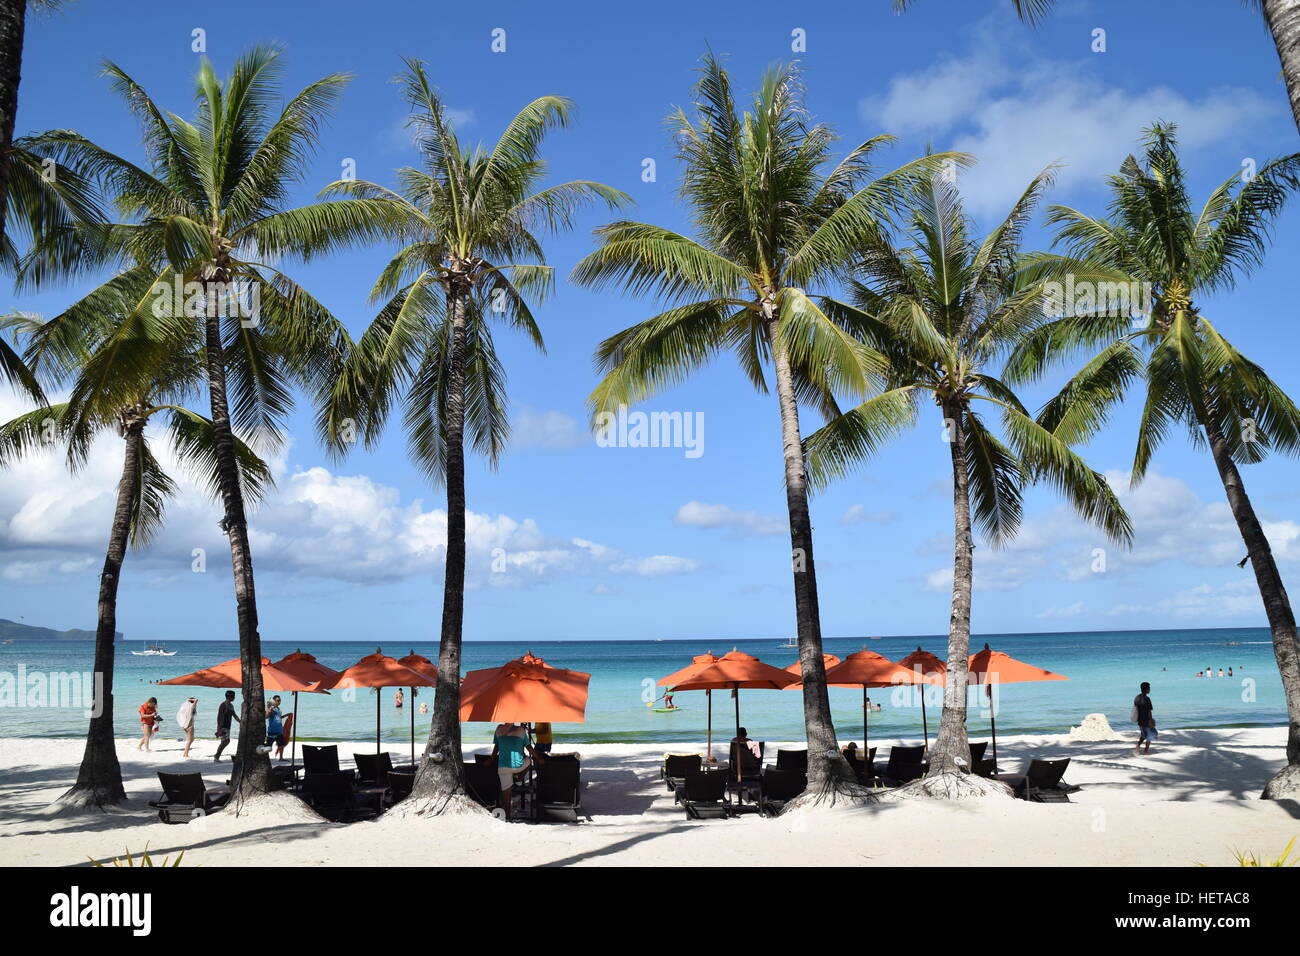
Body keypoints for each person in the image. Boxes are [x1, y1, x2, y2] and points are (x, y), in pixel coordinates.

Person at [491, 722, 542, 820]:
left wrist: (491, 759)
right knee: (528, 760)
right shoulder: (521, 730)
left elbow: (496, 747)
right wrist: (538, 758)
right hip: (518, 766)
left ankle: (507, 817)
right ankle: (519, 777)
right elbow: (529, 748)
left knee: (506, 794)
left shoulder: (498, 729)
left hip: (503, 767)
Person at [214, 690, 238, 762]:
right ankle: (216, 756)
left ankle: (217, 756)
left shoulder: (231, 705)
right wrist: (219, 728)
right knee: (226, 741)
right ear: (231, 697)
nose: (234, 698)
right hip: (223, 726)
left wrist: (241, 721)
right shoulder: (223, 705)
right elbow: (219, 717)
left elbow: (234, 715)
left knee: (224, 741)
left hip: (228, 726)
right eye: (234, 696)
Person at [1133, 682, 1155, 756]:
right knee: (1150, 735)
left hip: (1140, 720)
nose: (1150, 689)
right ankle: (1146, 751)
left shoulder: (1137, 698)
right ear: (1146, 689)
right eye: (1149, 688)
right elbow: (1149, 711)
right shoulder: (1147, 699)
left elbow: (1135, 709)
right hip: (1146, 720)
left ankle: (1138, 746)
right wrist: (1151, 720)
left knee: (1143, 735)